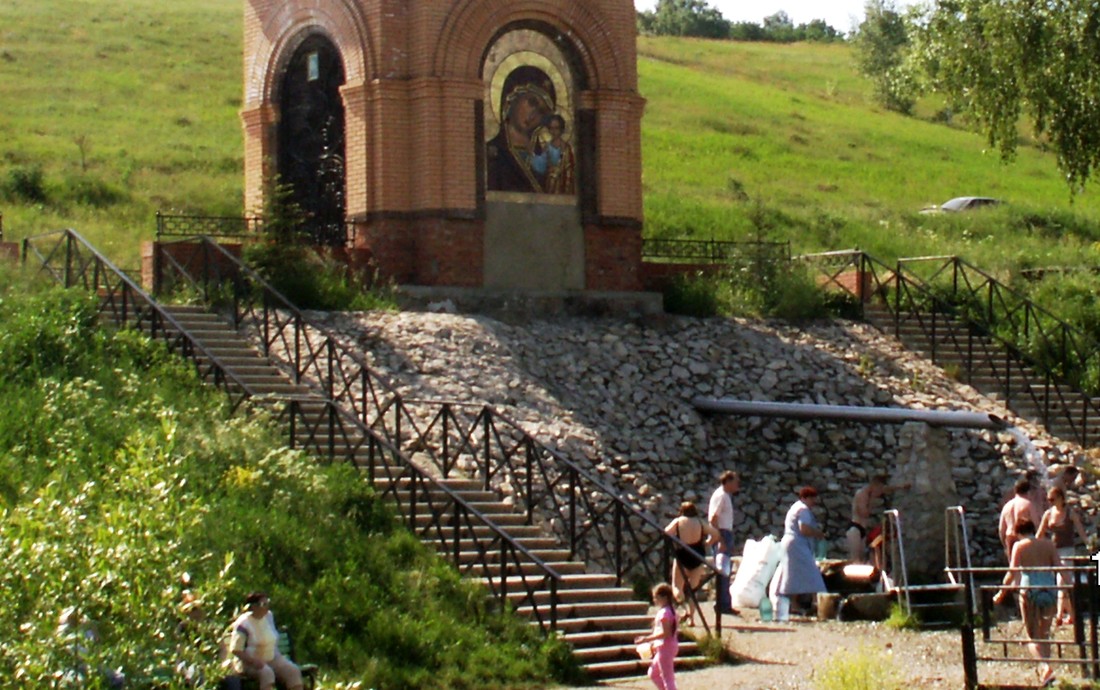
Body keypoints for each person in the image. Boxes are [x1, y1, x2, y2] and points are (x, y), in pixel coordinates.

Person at [993, 520, 1060, 687]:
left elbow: (1013, 571)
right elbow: (1060, 567)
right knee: (1045, 633)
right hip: (1050, 588)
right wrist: (1065, 592)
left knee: (1032, 635)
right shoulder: (1048, 544)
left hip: (1029, 589)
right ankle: (1047, 673)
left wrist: (1002, 591)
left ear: (1018, 532)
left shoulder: (1019, 546)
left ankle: (1044, 668)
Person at [486, 65, 556, 193]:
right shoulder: (489, 152)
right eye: (531, 103)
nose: (533, 115)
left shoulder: (545, 159)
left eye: (541, 112)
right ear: (512, 97)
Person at [770, 486, 828, 622]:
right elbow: (804, 528)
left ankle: (794, 604)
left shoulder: (795, 507)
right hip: (797, 545)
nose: (814, 501)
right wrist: (817, 533)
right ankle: (819, 603)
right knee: (812, 572)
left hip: (791, 544)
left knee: (793, 574)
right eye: (812, 498)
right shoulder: (803, 510)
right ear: (806, 498)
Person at [228, 592, 303, 690]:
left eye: (267, 603)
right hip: (250, 663)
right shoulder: (243, 624)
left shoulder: (268, 617)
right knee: (267, 673)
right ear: (253, 607)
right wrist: (254, 661)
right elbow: (236, 650)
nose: (266, 607)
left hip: (272, 658)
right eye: (263, 604)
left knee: (293, 671)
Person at [1037, 486, 1088, 625]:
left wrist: (1088, 544)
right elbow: (1040, 534)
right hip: (1054, 552)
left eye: (1052, 499)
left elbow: (1080, 530)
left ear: (1061, 498)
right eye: (1048, 500)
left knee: (1061, 582)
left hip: (1067, 551)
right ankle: (1071, 615)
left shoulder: (1070, 513)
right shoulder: (1048, 514)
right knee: (1063, 583)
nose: (1050, 502)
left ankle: (1060, 615)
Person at [664, 501, 720, 626]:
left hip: (682, 554)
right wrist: (707, 542)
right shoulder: (699, 522)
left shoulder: (678, 521)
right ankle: (692, 619)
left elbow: (666, 532)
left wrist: (675, 539)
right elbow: (716, 534)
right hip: (697, 555)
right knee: (693, 589)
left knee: (676, 586)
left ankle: (683, 608)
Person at [845, 475, 910, 564]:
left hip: (863, 529)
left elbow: (887, 489)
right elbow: (864, 513)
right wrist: (871, 501)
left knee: (863, 558)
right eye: (879, 489)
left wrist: (901, 487)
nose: (880, 493)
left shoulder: (873, 491)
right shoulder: (862, 494)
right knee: (856, 560)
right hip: (855, 529)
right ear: (874, 486)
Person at [708, 470, 741, 615]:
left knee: (724, 569)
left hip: (725, 532)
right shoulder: (721, 496)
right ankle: (722, 604)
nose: (737, 485)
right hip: (722, 532)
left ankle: (724, 602)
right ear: (727, 482)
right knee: (723, 570)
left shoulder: (724, 495)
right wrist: (720, 538)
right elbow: (714, 518)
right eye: (735, 482)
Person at [634, 583, 679, 690]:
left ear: (664, 597)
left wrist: (647, 639)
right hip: (666, 646)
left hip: (665, 647)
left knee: (668, 678)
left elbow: (666, 633)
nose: (654, 600)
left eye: (656, 597)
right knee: (653, 673)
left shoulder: (664, 613)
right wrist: (654, 644)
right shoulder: (671, 611)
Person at [999, 477, 1037, 561]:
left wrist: (1005, 545)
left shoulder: (1007, 506)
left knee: (1014, 568)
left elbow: (1001, 529)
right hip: (1025, 538)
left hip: (1010, 538)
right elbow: (1036, 524)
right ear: (1029, 491)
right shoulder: (1028, 504)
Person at [543, 114, 576, 195]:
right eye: (551, 128)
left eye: (556, 128)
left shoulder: (566, 148)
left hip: (562, 182)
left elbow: (569, 167)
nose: (554, 131)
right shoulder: (546, 148)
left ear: (561, 129)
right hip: (549, 182)